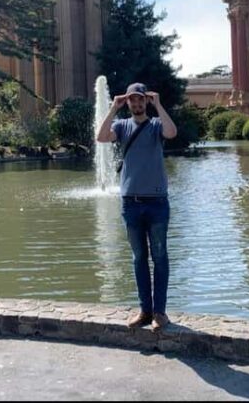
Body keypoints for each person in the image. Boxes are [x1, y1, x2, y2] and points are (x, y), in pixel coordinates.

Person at [96, 82, 178, 331]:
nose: (137, 103)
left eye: (141, 99)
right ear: (128, 103)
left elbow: (172, 132)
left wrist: (159, 104)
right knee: (139, 258)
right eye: (132, 100)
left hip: (156, 203)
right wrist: (113, 107)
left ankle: (160, 313)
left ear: (146, 101)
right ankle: (144, 311)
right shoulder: (121, 126)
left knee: (160, 257)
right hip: (130, 203)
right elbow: (100, 137)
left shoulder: (155, 126)